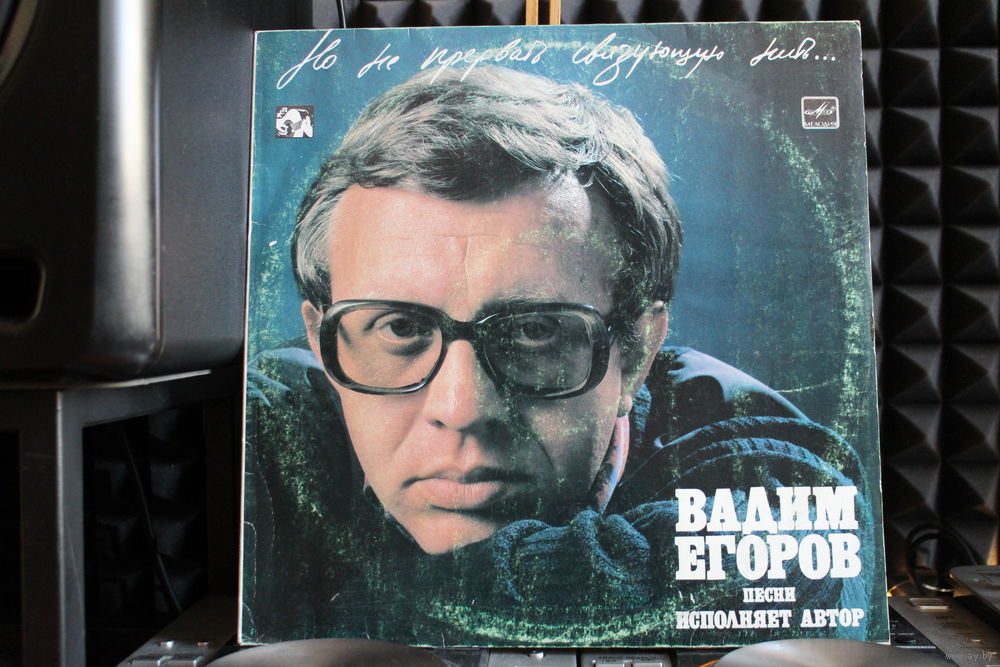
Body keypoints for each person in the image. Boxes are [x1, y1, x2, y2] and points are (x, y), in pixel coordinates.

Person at [243, 65, 876, 645]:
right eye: (401, 327)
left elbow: (809, 561)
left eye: (535, 331)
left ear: (636, 353)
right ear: (322, 342)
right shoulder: (269, 422)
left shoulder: (766, 462)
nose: (461, 409)